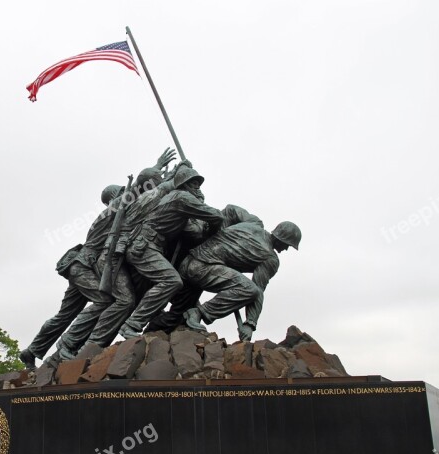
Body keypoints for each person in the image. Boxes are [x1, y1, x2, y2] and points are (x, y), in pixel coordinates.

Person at [18, 149, 176, 368]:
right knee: (108, 300)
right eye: (123, 191)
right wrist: (159, 170)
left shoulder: (117, 209)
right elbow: (141, 189)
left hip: (81, 266)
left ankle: (32, 351)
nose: (127, 192)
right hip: (85, 266)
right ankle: (67, 345)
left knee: (64, 315)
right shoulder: (116, 207)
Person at [117, 166, 224, 339]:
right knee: (172, 281)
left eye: (199, 184)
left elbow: (193, 231)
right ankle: (132, 325)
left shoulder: (175, 198)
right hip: (144, 246)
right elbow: (217, 216)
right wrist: (212, 229)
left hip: (149, 245)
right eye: (194, 184)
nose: (198, 188)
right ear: (185, 184)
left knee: (169, 283)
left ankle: (151, 321)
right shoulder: (182, 197)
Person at [153, 219, 300, 341]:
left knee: (176, 316)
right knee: (249, 289)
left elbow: (229, 210)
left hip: (187, 263)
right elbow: (258, 290)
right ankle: (199, 313)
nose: (286, 249)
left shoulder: (252, 224)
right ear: (281, 239)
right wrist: (250, 324)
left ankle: (152, 332)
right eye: (287, 245)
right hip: (202, 269)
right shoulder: (270, 258)